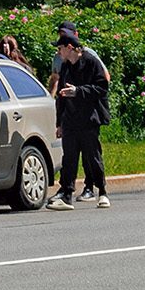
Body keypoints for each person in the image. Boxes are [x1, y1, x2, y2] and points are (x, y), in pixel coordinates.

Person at [46, 31, 111, 211]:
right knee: (69, 158)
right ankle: (67, 195)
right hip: (70, 120)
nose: (58, 52)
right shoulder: (66, 67)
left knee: (93, 157)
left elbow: (101, 87)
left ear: (69, 47)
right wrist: (59, 123)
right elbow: (61, 97)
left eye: (60, 48)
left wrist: (78, 91)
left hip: (89, 119)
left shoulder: (90, 62)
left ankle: (102, 192)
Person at [46, 20, 107, 97]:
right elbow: (55, 81)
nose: (62, 37)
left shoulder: (90, 57)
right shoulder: (61, 60)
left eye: (66, 34)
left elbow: (103, 83)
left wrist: (78, 91)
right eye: (61, 35)